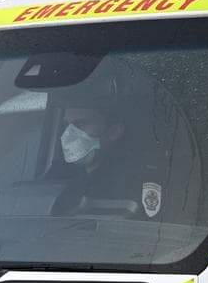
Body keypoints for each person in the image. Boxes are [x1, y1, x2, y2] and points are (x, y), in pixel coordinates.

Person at [49, 75, 165, 220]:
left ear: (113, 132)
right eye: (67, 125)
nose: (68, 134)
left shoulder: (140, 183)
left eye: (80, 124)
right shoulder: (63, 186)